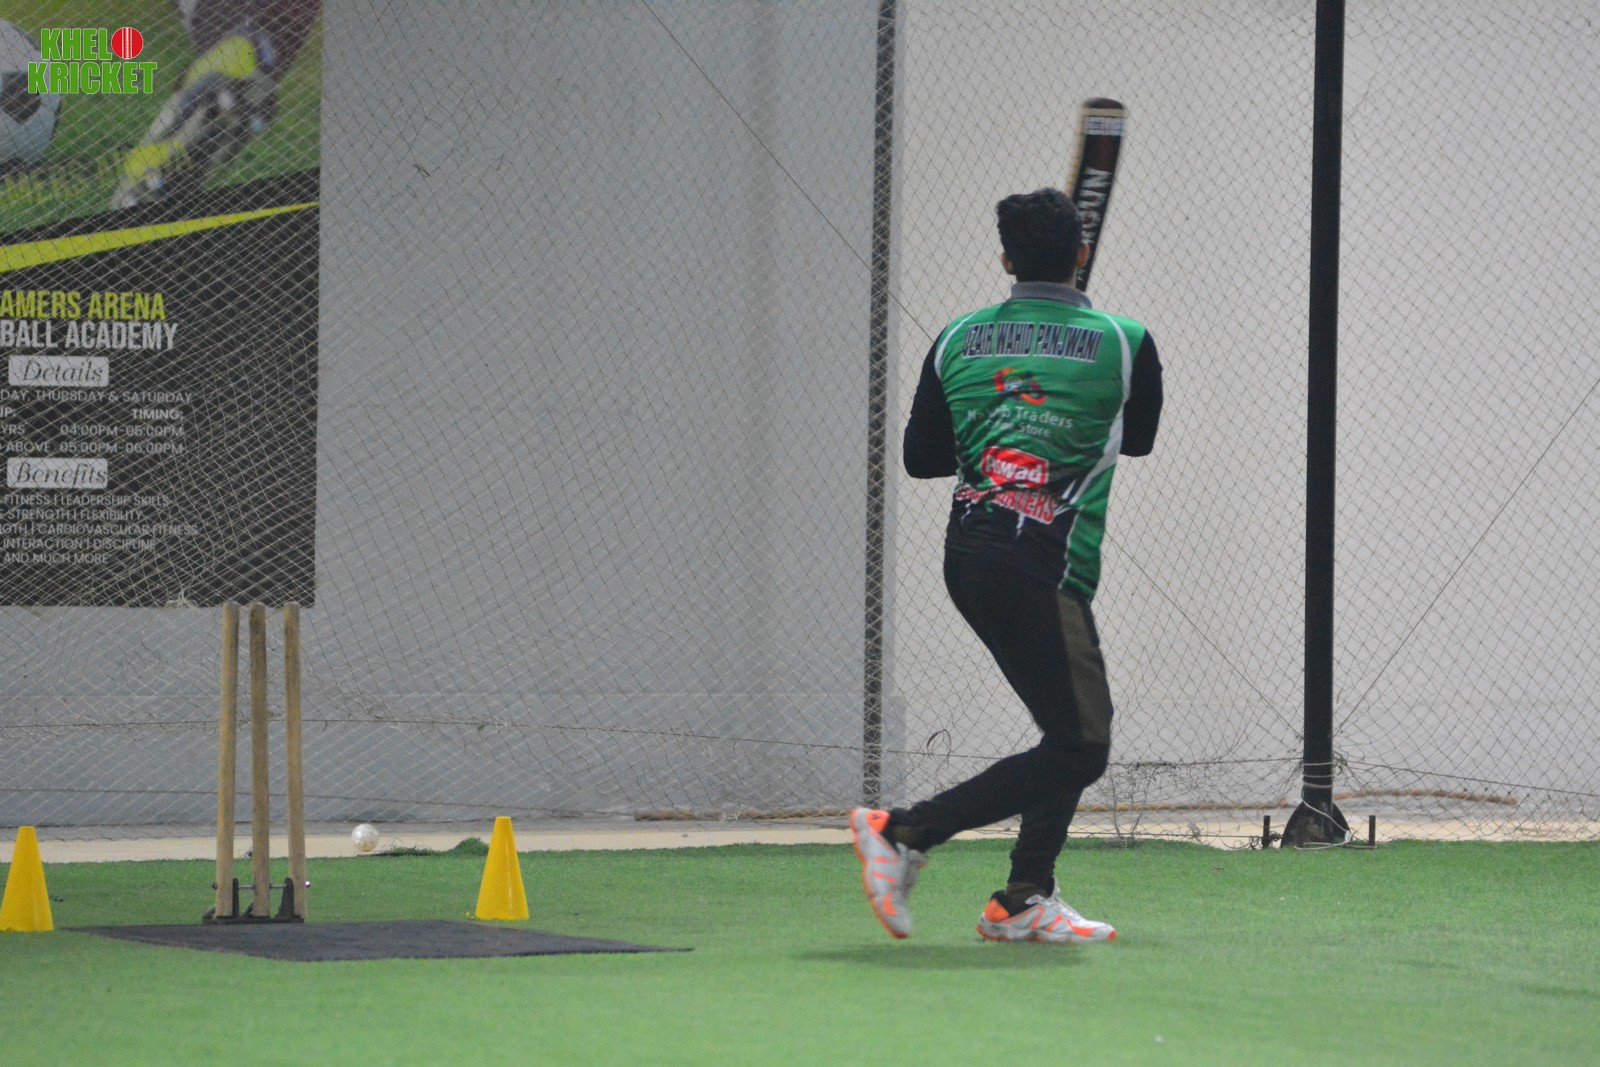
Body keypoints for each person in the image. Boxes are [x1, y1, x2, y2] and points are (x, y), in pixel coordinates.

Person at [851, 187, 1162, 943]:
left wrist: (998, 426)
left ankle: (1025, 897)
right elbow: (1139, 438)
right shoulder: (1126, 341)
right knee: (1082, 744)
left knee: (1069, 733)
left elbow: (922, 457)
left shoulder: (958, 337)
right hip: (1041, 564)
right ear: (1080, 254)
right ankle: (905, 832)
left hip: (968, 556)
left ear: (1004, 260)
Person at [111, 0, 322, 209]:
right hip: (244, 44)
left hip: (249, 44)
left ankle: (143, 191)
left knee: (227, 100)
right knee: (222, 101)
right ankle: (142, 191)